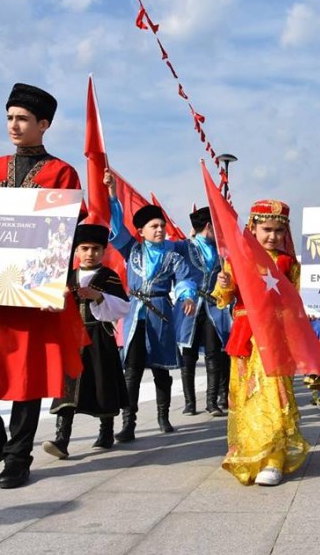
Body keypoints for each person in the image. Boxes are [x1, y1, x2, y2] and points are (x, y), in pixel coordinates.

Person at [0, 83, 86, 489]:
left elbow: (67, 235)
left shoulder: (62, 172)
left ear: (43, 125)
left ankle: (17, 456)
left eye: (22, 118)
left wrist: (52, 286)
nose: (13, 124)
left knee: (26, 375)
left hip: (30, 292)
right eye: (9, 117)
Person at [211, 199, 309, 486]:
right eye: (267, 229)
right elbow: (223, 297)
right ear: (252, 227)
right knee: (247, 396)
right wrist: (224, 282)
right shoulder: (237, 258)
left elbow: (297, 299)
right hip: (245, 337)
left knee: (275, 394)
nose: (273, 236)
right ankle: (252, 452)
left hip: (276, 337)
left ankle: (275, 459)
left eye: (279, 231)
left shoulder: (287, 262)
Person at [104, 170, 180, 442]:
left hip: (161, 312)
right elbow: (115, 227)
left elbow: (184, 280)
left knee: (161, 369)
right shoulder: (132, 250)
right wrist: (112, 194)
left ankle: (163, 416)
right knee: (132, 371)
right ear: (141, 232)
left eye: (162, 226)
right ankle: (129, 423)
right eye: (155, 227)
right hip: (136, 312)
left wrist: (188, 295)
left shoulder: (173, 253)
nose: (160, 230)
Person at [42, 223, 130, 458]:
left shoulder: (108, 277)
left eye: (96, 249)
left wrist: (99, 296)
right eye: (85, 248)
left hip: (99, 337)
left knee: (103, 384)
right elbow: (51, 305)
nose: (90, 253)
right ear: (77, 251)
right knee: (67, 388)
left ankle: (106, 432)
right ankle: (61, 440)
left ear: (103, 251)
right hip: (71, 339)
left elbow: (122, 308)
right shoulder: (66, 278)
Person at [170, 207, 232, 416]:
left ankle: (212, 401)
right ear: (208, 226)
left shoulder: (221, 250)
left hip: (213, 307)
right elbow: (159, 248)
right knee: (189, 354)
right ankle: (189, 403)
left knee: (214, 354)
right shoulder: (183, 246)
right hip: (190, 307)